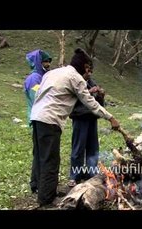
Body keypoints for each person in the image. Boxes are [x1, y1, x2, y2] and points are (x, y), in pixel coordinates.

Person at [30, 48, 120, 207]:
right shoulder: (76, 78)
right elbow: (90, 103)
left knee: (40, 156)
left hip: (37, 116)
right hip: (51, 119)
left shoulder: (53, 73)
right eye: (88, 69)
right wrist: (110, 117)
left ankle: (42, 189)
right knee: (51, 160)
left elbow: (40, 94)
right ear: (83, 66)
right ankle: (46, 200)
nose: (89, 73)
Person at [68, 60, 106, 187]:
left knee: (93, 147)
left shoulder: (91, 82)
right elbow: (72, 98)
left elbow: (99, 103)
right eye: (87, 70)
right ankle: (74, 176)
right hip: (80, 118)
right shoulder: (76, 82)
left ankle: (91, 172)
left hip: (91, 118)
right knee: (78, 147)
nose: (89, 73)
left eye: (91, 71)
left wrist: (101, 95)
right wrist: (89, 92)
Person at [24, 49, 52, 127]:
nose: (48, 64)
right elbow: (36, 98)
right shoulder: (34, 78)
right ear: (38, 62)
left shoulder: (43, 76)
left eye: (49, 62)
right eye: (45, 61)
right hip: (37, 119)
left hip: (44, 118)